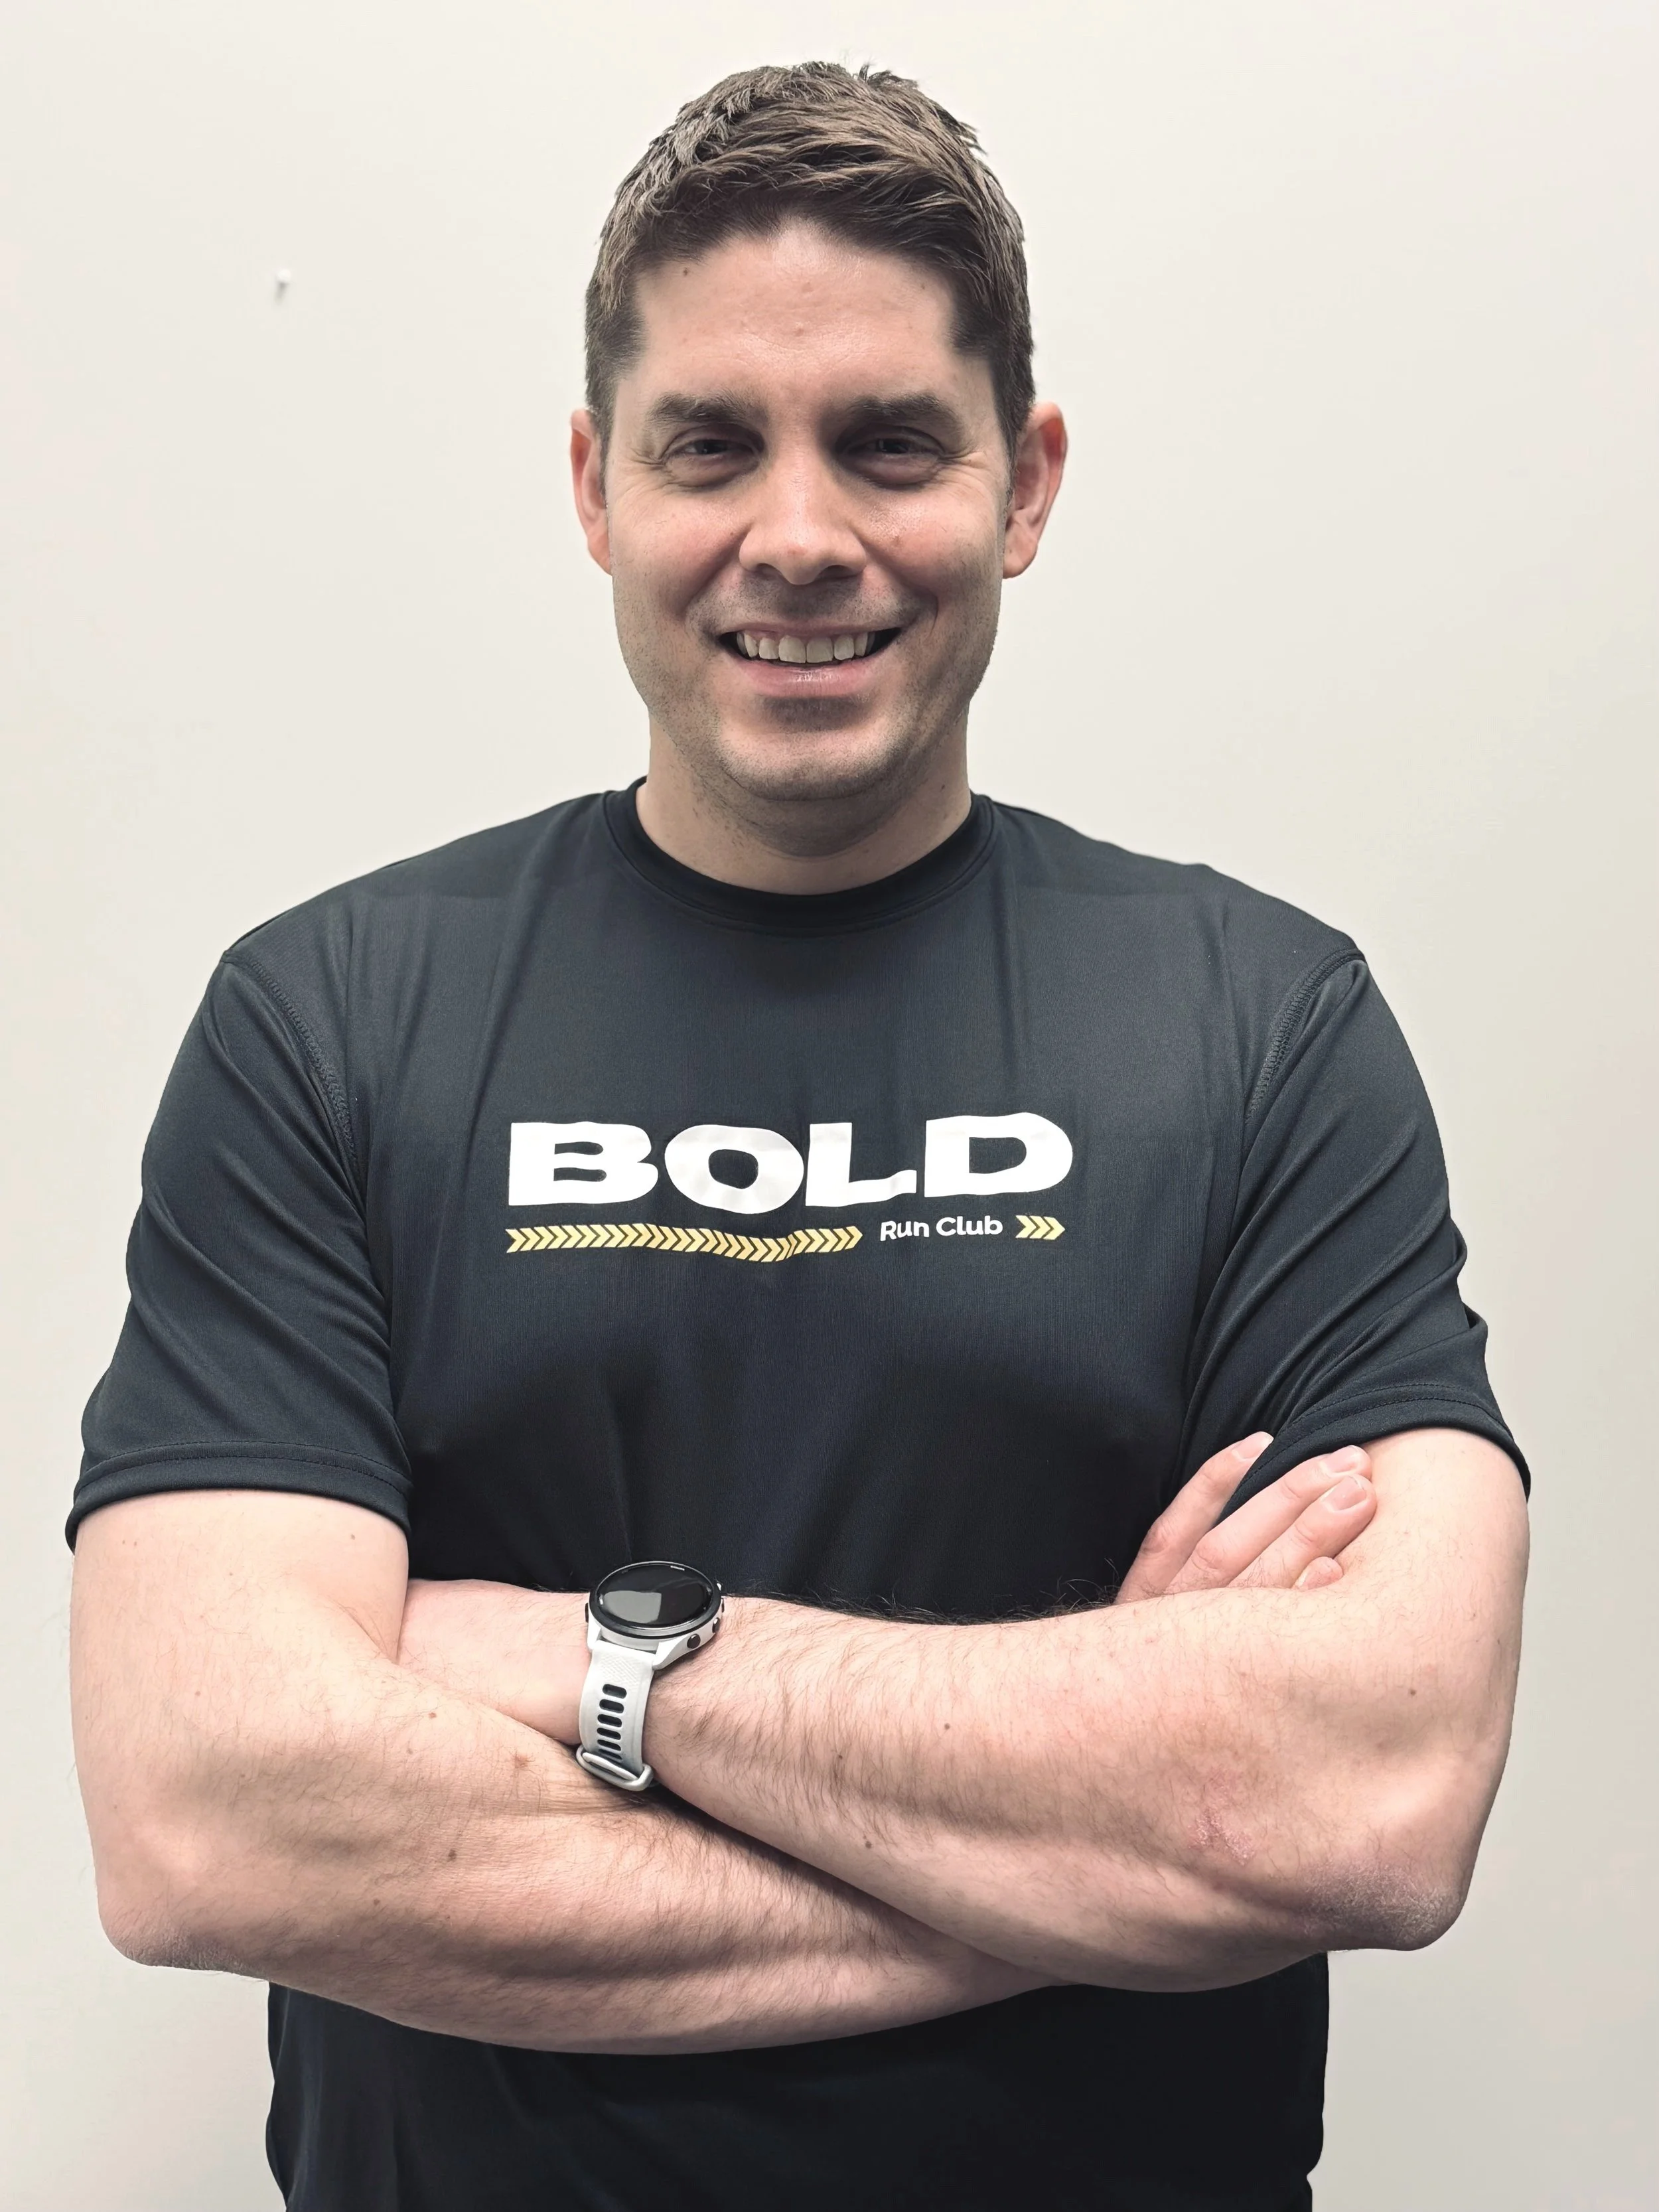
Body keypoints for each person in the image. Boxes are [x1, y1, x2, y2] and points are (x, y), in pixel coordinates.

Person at [68, 61, 1529, 2212]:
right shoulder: (332, 1021)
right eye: (709, 445)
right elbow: (206, 1817)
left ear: (1024, 482)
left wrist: (571, 1652)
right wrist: (1091, 1853)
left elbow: (1364, 1798)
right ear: (595, 484)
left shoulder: (1257, 1027)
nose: (801, 533)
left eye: (890, 442)